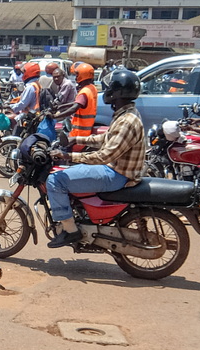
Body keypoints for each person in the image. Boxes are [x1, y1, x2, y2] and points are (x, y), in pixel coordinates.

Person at [46, 68, 146, 248]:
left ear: (117, 92)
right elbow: (106, 138)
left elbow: (104, 155)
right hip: (114, 169)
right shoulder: (126, 114)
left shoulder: (127, 121)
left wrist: (69, 156)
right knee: (68, 173)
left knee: (55, 180)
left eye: (109, 89)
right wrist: (75, 139)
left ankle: (70, 230)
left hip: (116, 174)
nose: (106, 92)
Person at [52, 63, 98, 137]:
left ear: (82, 75)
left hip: (79, 133)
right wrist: (60, 107)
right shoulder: (92, 88)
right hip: (86, 129)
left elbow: (74, 108)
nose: (76, 78)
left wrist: (55, 116)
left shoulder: (84, 92)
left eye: (77, 75)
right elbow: (77, 103)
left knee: (60, 147)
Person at [9, 62, 42, 134]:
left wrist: (11, 108)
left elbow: (23, 103)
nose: (23, 74)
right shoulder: (36, 84)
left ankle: (13, 144)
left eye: (24, 72)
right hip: (34, 115)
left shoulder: (30, 87)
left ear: (29, 72)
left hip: (28, 116)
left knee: (14, 133)